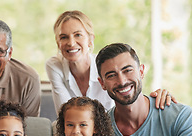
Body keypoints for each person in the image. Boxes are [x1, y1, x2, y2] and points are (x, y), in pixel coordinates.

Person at [46, 10, 175, 114]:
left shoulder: (106, 67)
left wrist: (159, 97)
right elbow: (65, 115)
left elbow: (130, 101)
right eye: (64, 37)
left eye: (78, 35)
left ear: (90, 39)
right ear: (58, 42)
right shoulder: (54, 66)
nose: (71, 43)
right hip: (77, 134)